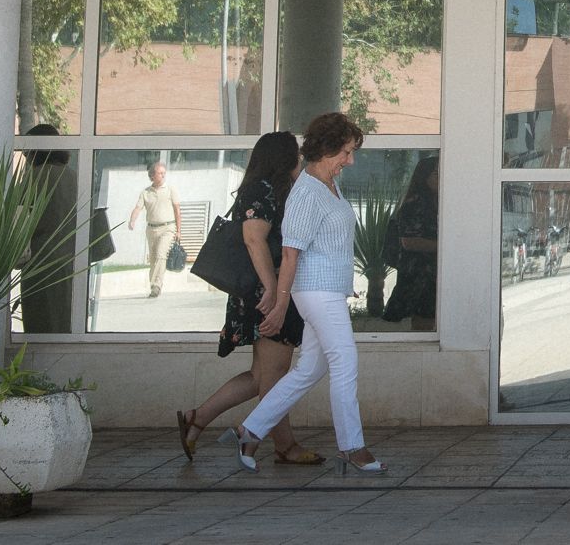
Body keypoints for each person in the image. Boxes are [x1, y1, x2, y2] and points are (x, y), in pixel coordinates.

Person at [239, 113, 382, 474]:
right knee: (345, 363)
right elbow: (290, 252)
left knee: (310, 369)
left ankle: (250, 429)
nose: (350, 161)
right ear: (327, 149)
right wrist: (280, 301)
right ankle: (352, 446)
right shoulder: (306, 192)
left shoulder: (329, 184)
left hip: (327, 290)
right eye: (346, 153)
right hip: (317, 292)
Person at [174, 131, 317, 465]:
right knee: (273, 378)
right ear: (283, 157)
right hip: (266, 292)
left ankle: (196, 419)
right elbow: (254, 240)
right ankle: (286, 446)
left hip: (269, 290)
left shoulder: (274, 189)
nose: (300, 158)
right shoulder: (264, 190)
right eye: (295, 153)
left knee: (260, 376)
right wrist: (271, 289)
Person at [19, 127, 77, 335]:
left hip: (40, 262)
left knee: (40, 328)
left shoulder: (33, 177)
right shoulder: (75, 177)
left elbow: (18, 220)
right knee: (67, 323)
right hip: (73, 259)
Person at [382, 157, 441, 331]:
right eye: (436, 174)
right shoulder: (415, 203)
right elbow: (408, 241)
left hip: (432, 273)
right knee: (423, 321)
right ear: (424, 176)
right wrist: (443, 247)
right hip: (419, 274)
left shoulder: (439, 202)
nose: (441, 179)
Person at [127, 160, 183, 299]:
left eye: (164, 173)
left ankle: (157, 285)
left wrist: (179, 231)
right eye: (160, 173)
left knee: (160, 254)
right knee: (153, 259)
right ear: (152, 176)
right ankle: (153, 286)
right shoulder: (145, 193)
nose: (163, 175)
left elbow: (177, 210)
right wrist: (132, 220)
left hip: (168, 227)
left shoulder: (170, 190)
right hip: (152, 229)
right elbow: (138, 208)